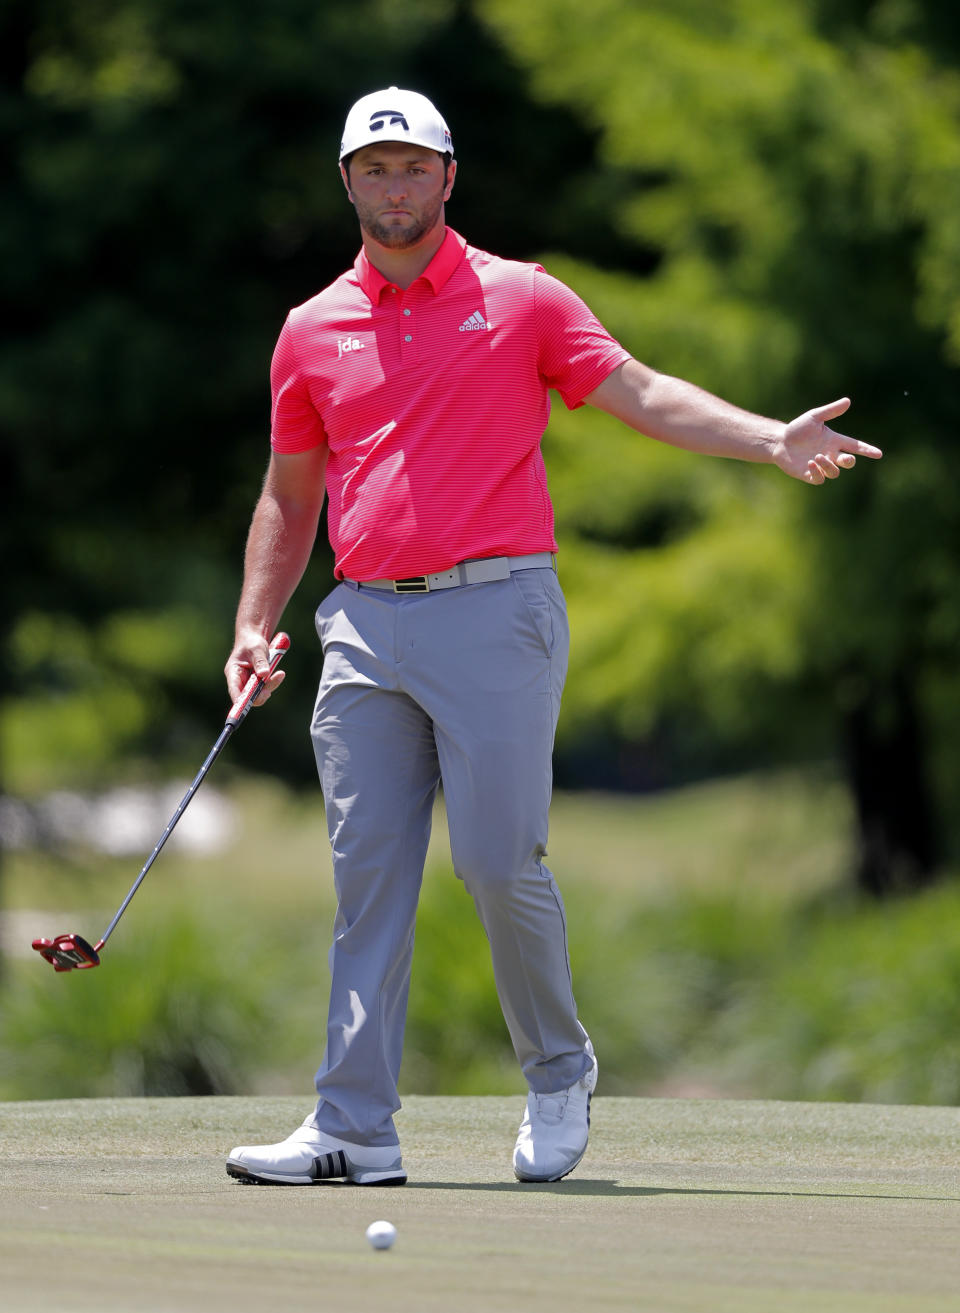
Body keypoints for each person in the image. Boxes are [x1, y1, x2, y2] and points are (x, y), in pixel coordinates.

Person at [223, 87, 882, 1188]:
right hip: (365, 624)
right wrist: (254, 622)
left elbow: (640, 391)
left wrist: (770, 438)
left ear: (448, 177)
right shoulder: (309, 329)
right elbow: (291, 496)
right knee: (368, 874)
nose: (394, 187)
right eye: (373, 169)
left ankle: (558, 1069)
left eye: (412, 167)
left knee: (496, 858)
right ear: (348, 183)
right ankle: (354, 1126)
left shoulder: (519, 298)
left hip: (497, 608)